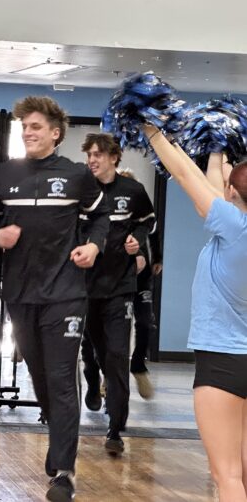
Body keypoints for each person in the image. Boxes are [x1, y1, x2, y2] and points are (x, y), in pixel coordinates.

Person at [0, 96, 109, 502]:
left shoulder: (75, 176)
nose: (28, 132)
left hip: (66, 293)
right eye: (25, 127)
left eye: (36, 126)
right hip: (20, 292)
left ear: (55, 133)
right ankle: (60, 437)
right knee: (38, 373)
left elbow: (100, 217)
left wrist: (94, 247)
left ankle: (65, 471)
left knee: (60, 376)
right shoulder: (3, 174)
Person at [143, 125, 247, 502]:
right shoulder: (231, 225)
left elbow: (187, 177)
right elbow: (211, 187)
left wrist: (152, 133)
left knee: (228, 477)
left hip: (222, 362)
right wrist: (215, 148)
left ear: (232, 193)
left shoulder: (235, 227)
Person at [79, 133, 155, 455]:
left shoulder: (133, 191)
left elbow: (147, 222)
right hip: (85, 287)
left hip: (120, 287)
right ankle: (93, 382)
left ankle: (115, 428)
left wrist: (137, 240)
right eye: (89, 155)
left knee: (117, 355)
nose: (92, 160)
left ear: (114, 157)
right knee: (93, 351)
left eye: (98, 154)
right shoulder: (81, 190)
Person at [118, 168, 163, 399]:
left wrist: (158, 258)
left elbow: (153, 232)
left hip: (142, 275)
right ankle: (110, 374)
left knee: (145, 323)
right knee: (116, 329)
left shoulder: (142, 210)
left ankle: (138, 366)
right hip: (116, 277)